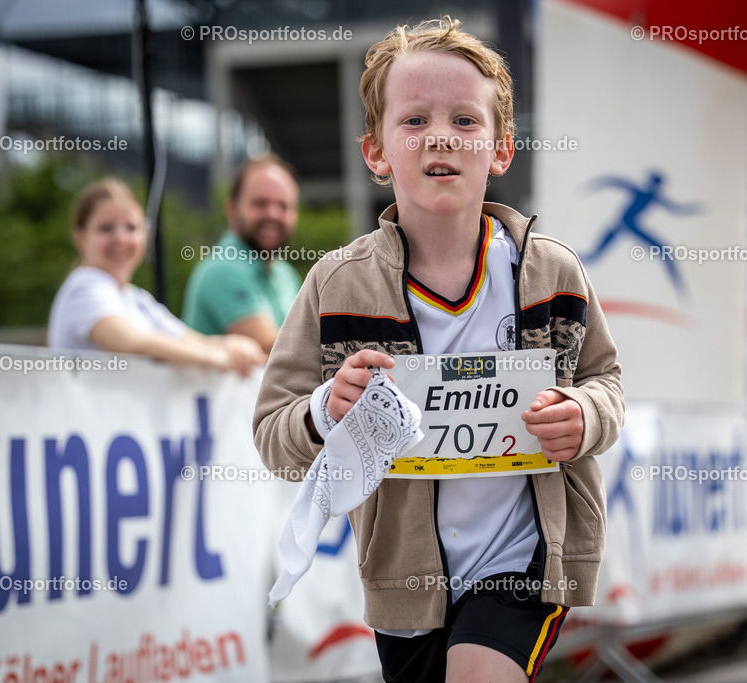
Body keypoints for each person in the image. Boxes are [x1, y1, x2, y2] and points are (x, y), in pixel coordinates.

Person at [253, 17, 624, 683]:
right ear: (376, 152)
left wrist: (584, 413)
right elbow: (272, 435)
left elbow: (606, 381)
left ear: (502, 148)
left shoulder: (555, 272)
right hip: (404, 584)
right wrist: (323, 408)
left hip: (524, 560)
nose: (442, 137)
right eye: (415, 120)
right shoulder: (335, 284)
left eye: (465, 120)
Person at [48, 177, 265, 375]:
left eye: (132, 228)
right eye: (106, 229)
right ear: (80, 237)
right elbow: (127, 342)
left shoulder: (136, 299)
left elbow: (189, 340)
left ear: (145, 235)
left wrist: (232, 345)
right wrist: (213, 357)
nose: (121, 239)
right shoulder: (85, 286)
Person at [182, 154, 303, 352]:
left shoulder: (285, 273)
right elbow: (274, 349)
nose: (272, 214)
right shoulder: (224, 269)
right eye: (260, 203)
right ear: (232, 209)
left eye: (283, 206)